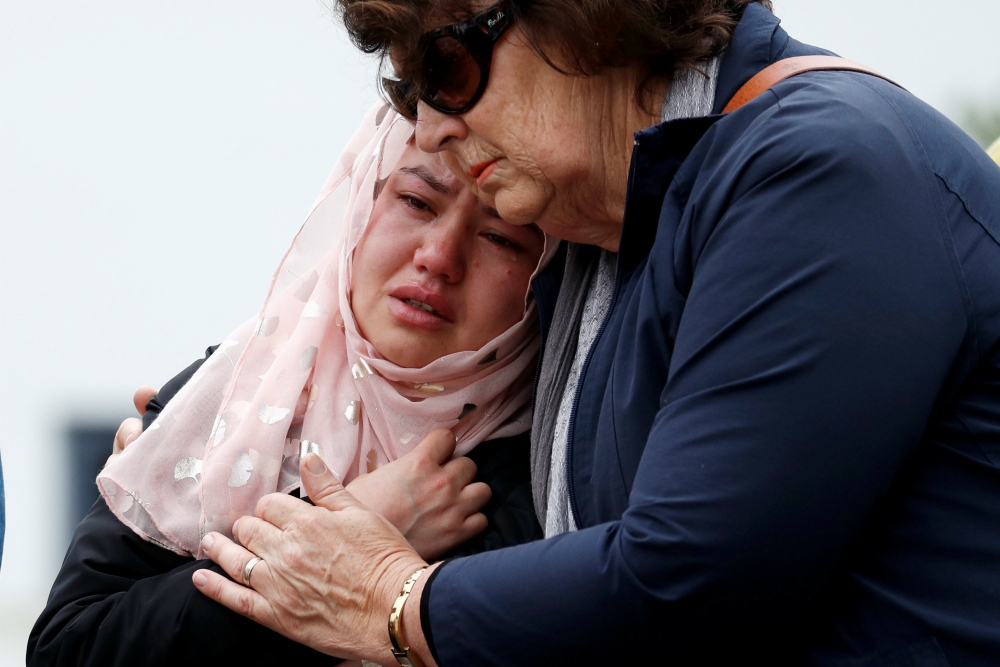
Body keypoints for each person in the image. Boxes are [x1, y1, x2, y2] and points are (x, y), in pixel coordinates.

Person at [189, 1, 1000, 665]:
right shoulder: (607, 233)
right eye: (410, 94)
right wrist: (206, 447)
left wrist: (393, 602)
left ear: (585, 17)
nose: (430, 127)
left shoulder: (818, 165)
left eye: (444, 68)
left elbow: (690, 576)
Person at [27, 113, 556, 666]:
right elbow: (68, 649)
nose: (438, 257)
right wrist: (343, 532)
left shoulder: (540, 473)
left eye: (500, 236)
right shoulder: (239, 393)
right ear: (358, 207)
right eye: (416, 202)